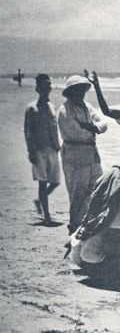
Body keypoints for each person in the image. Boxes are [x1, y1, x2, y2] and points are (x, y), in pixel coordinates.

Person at [67, 165, 120, 278]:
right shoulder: (114, 210)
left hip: (79, 259)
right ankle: (104, 273)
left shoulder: (98, 202)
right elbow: (113, 239)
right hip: (91, 260)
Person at [58, 74, 108, 233]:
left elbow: (103, 123)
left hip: (91, 152)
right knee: (77, 192)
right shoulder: (64, 110)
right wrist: (92, 127)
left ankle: (87, 225)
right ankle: (74, 226)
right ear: (71, 91)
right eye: (77, 90)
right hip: (74, 153)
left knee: (95, 189)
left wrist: (92, 127)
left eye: (82, 90)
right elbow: (76, 132)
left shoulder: (87, 106)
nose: (80, 93)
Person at [24, 74, 61, 225]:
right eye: (44, 86)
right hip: (38, 150)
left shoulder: (52, 106)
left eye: (49, 86)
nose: (48, 89)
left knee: (55, 182)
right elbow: (28, 132)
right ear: (38, 88)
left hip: (52, 149)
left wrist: (58, 145)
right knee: (42, 182)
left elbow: (54, 128)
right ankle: (47, 216)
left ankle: (39, 201)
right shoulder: (32, 108)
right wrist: (30, 151)